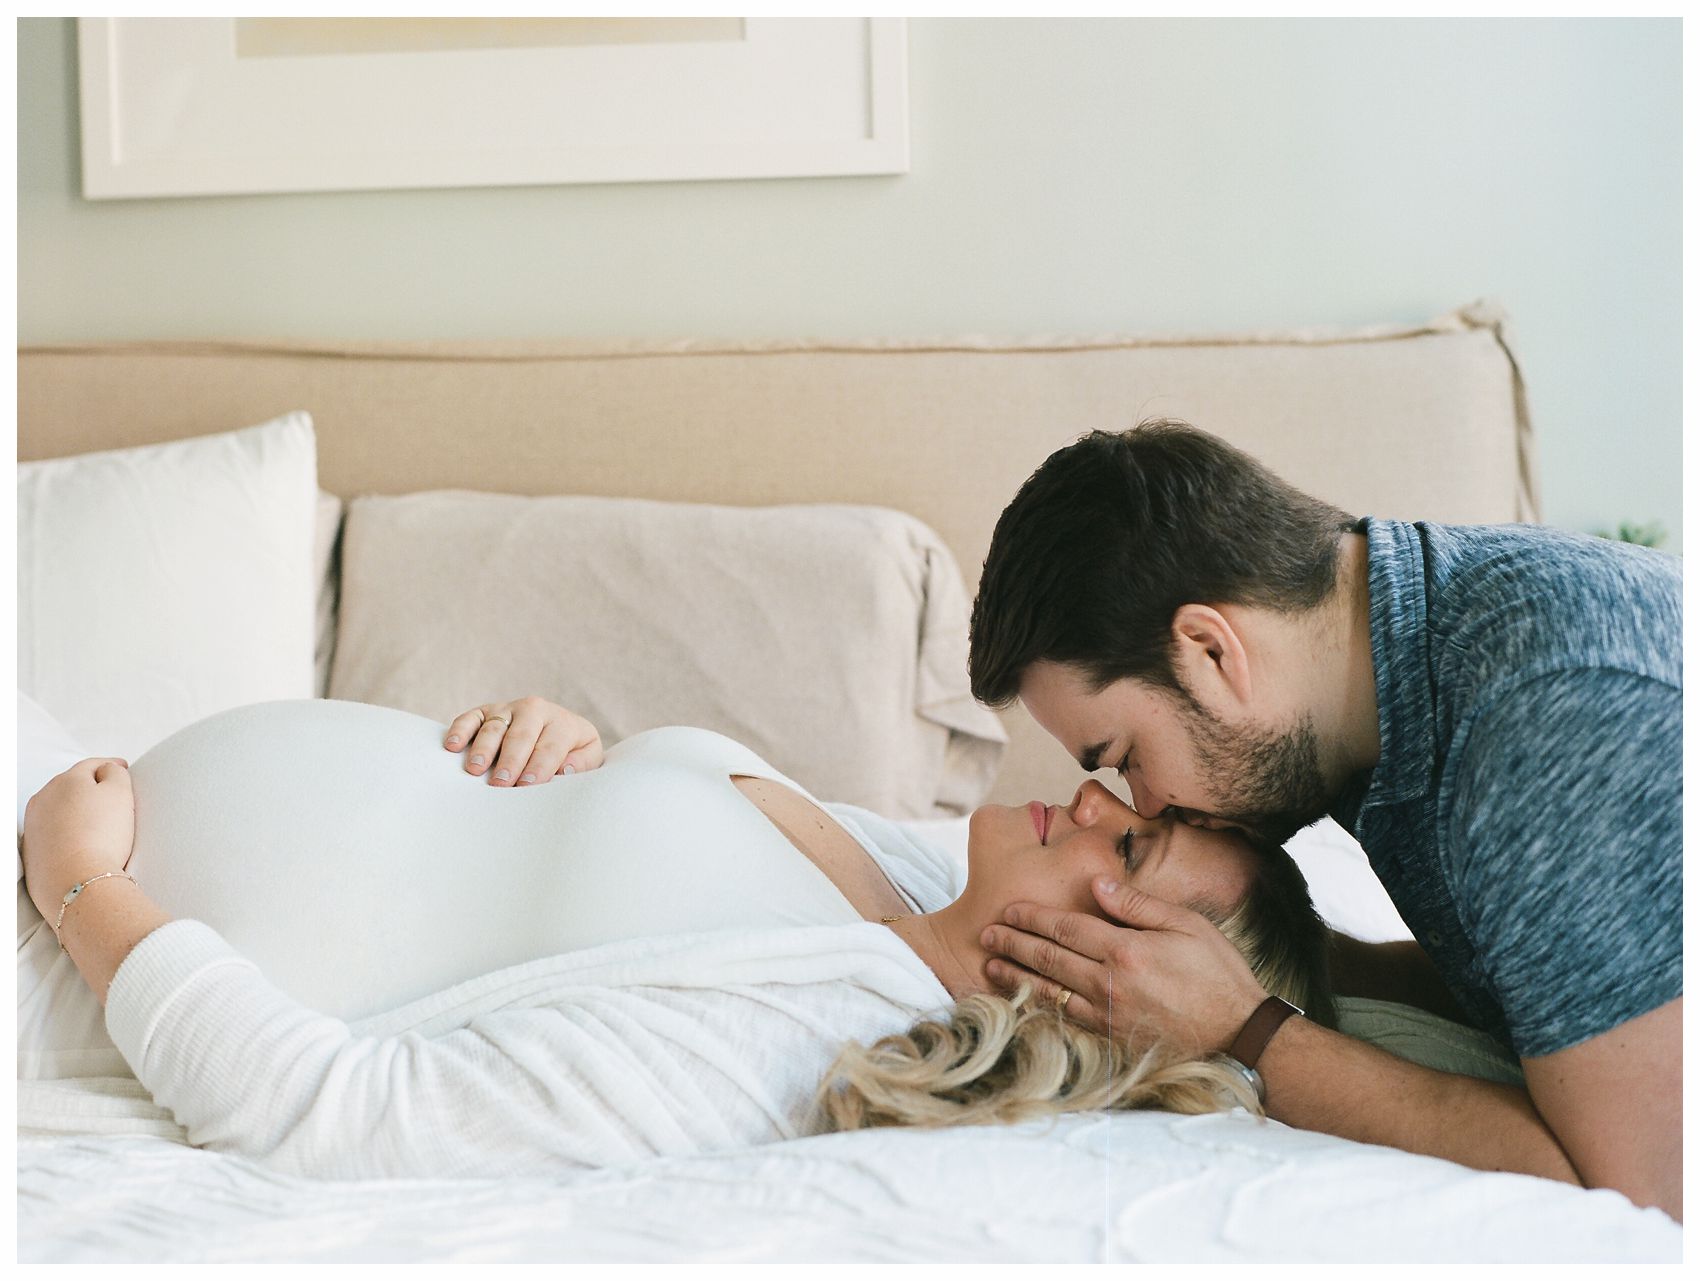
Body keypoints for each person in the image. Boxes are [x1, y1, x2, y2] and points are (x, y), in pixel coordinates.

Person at [18, 694, 1335, 1179]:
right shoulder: (904, 882)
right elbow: (541, 877)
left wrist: (79, 880)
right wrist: (555, 743)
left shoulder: (801, 1035)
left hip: (48, 949)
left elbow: (344, 1117)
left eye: (1131, 853)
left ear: (1118, 984)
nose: (1099, 800)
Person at [965, 420, 1682, 1219]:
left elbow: (1640, 1197)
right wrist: (1279, 962)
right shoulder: (1380, 685)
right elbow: (1540, 978)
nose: (1145, 802)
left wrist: (1244, 1027)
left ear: (1210, 649)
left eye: (1127, 755)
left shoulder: (1547, 727)